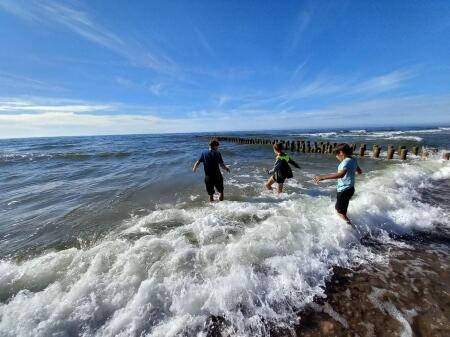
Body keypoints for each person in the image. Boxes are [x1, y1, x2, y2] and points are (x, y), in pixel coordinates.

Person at [313, 143, 362, 224]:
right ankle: (347, 227)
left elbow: (341, 175)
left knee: (340, 213)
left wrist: (322, 177)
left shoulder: (345, 163)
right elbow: (360, 171)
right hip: (350, 188)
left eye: (337, 154)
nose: (336, 156)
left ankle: (352, 229)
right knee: (339, 209)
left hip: (344, 190)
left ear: (341, 152)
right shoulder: (353, 160)